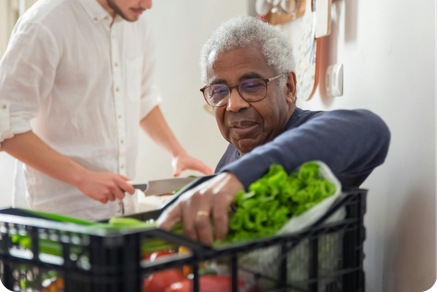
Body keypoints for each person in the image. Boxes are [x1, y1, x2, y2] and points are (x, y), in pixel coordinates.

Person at [0, 0, 213, 221]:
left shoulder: (136, 23)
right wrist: (83, 177)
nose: (148, 3)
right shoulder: (44, 25)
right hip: (58, 217)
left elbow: (142, 98)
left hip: (123, 212)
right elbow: (6, 126)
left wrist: (177, 154)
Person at [158, 15, 391, 246]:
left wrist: (239, 176)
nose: (234, 104)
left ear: (288, 87)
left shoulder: (313, 136)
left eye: (252, 86)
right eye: (219, 91)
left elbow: (372, 129)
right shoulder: (231, 156)